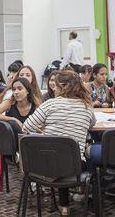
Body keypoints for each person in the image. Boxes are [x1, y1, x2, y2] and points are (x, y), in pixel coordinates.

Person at [22, 70, 95, 216]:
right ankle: (89, 196)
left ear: (63, 87)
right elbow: (92, 124)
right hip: (74, 168)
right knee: (84, 155)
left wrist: (45, 128)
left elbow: (26, 127)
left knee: (58, 154)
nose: (53, 88)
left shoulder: (49, 104)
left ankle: (64, 207)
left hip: (45, 166)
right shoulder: (87, 107)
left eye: (55, 85)